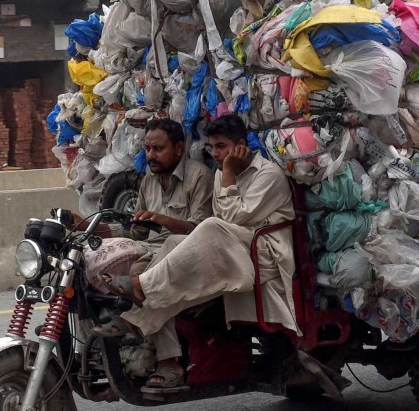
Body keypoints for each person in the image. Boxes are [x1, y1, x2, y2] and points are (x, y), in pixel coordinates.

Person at [102, 114, 300, 389]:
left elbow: (229, 220)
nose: (216, 154)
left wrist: (229, 172)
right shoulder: (219, 174)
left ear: (241, 145)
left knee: (209, 227)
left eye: (221, 147)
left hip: (264, 254)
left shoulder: (267, 175)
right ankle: (138, 321)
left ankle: (140, 291)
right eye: (212, 147)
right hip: (234, 247)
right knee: (174, 244)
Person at [80, 118, 213, 385]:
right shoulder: (149, 181)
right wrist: (91, 227)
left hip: (189, 252)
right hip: (152, 248)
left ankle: (168, 363)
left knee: (143, 273)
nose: (150, 156)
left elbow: (202, 230)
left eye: (158, 149)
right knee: (89, 266)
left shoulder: (199, 176)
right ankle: (102, 346)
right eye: (147, 149)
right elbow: (135, 232)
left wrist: (162, 220)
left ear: (178, 148)